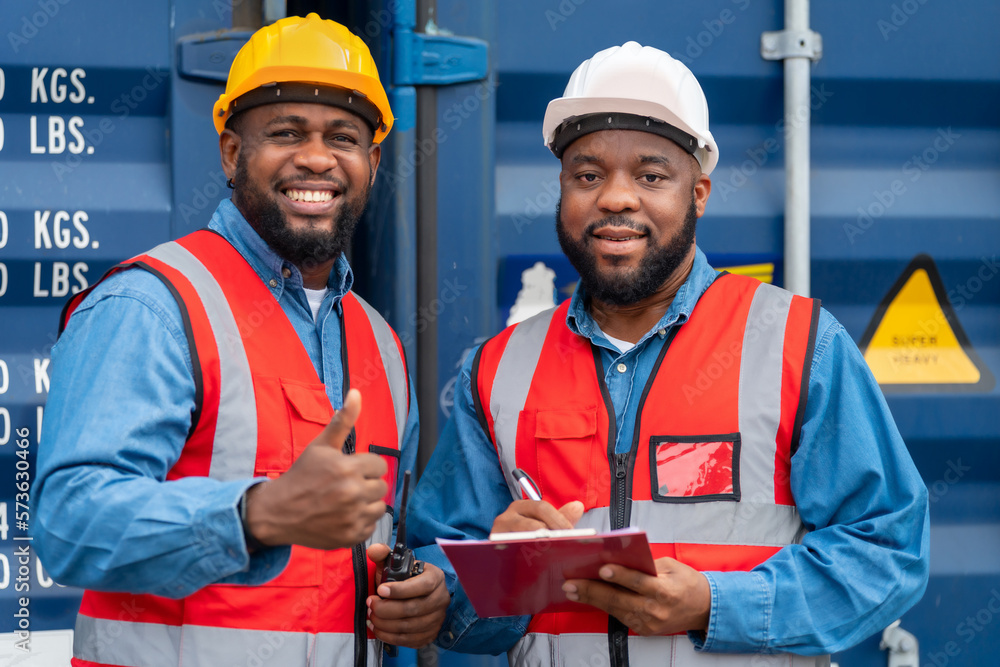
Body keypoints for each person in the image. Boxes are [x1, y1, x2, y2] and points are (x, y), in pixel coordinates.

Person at [408, 42, 929, 665]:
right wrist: (496, 574)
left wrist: (717, 603)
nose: (616, 198)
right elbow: (441, 586)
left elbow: (887, 550)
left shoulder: (797, 344)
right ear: (562, 189)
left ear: (699, 193)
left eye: (651, 176)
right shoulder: (497, 368)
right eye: (588, 175)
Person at [34, 14, 449, 667]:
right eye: (286, 132)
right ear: (231, 153)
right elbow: (67, 523)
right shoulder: (153, 304)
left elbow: (383, 549)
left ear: (371, 162)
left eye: (343, 136)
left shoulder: (382, 345)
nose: (316, 157)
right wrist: (257, 512)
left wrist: (424, 592)